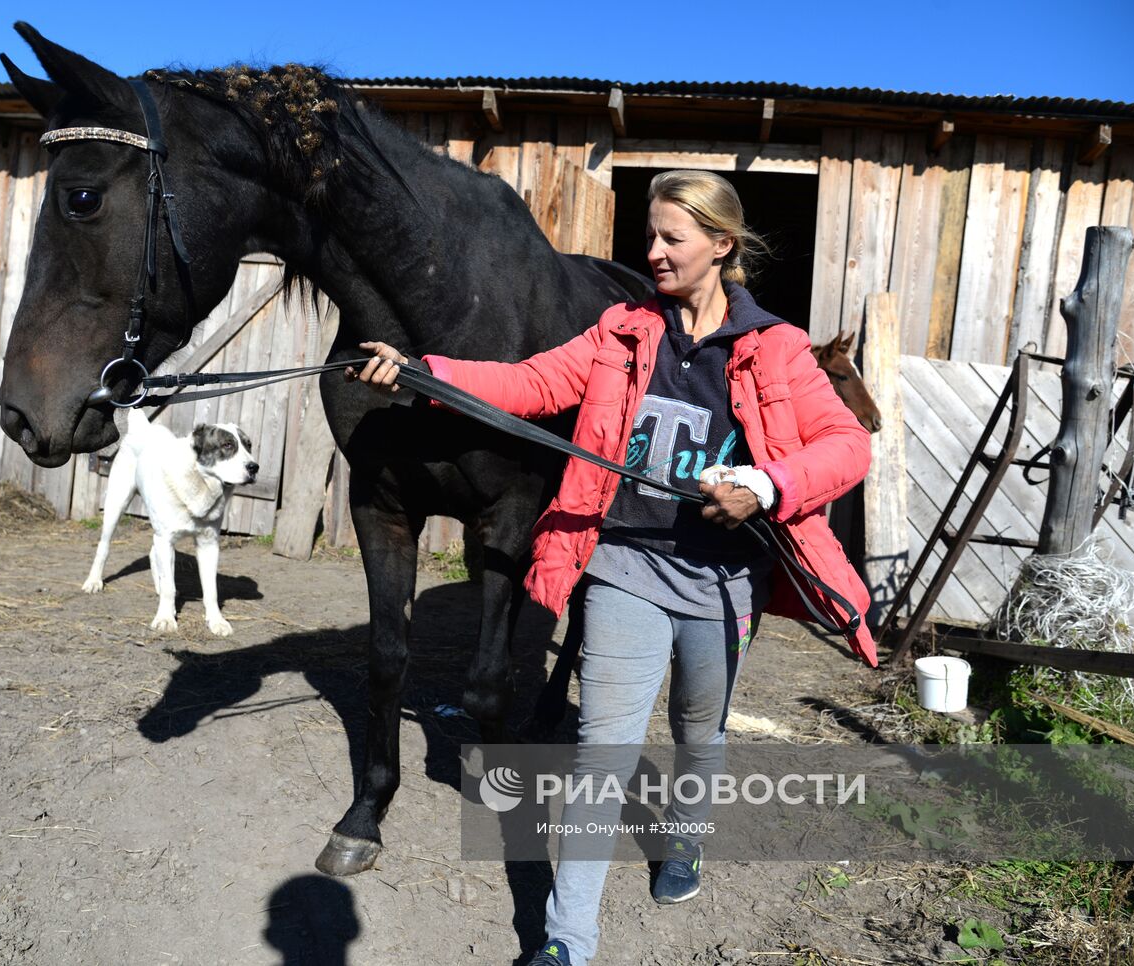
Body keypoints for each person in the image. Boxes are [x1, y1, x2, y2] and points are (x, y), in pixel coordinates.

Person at [347, 169, 875, 966]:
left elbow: (847, 447)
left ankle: (687, 840)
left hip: (722, 581)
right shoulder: (622, 332)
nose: (654, 253)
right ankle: (567, 942)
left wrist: (765, 486)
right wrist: (423, 371)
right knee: (603, 750)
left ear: (721, 247)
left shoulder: (778, 349)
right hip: (625, 563)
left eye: (673, 238)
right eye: (652, 236)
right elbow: (528, 384)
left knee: (698, 730)